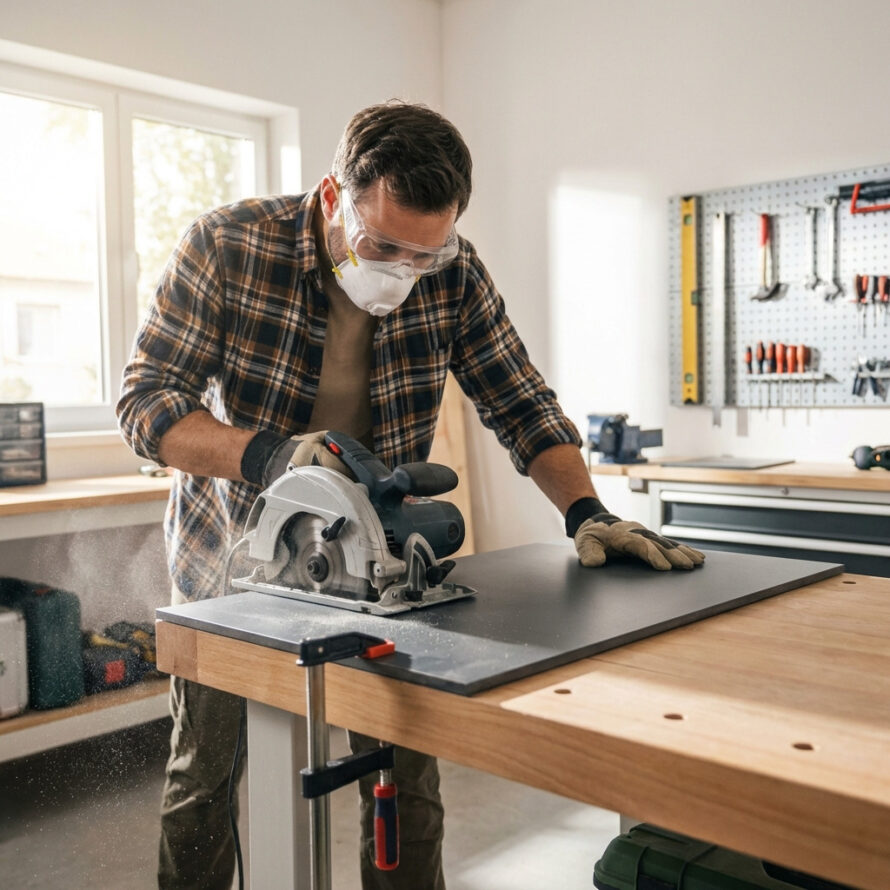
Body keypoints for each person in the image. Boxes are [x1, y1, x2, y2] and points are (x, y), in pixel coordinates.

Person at [117, 99, 704, 890]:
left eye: (424, 254)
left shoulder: (452, 271)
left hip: (381, 572)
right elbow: (147, 405)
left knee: (402, 776)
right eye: (382, 246)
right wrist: (267, 455)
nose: (403, 270)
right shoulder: (228, 244)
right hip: (235, 565)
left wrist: (586, 512)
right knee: (204, 778)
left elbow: (520, 401)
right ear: (333, 198)